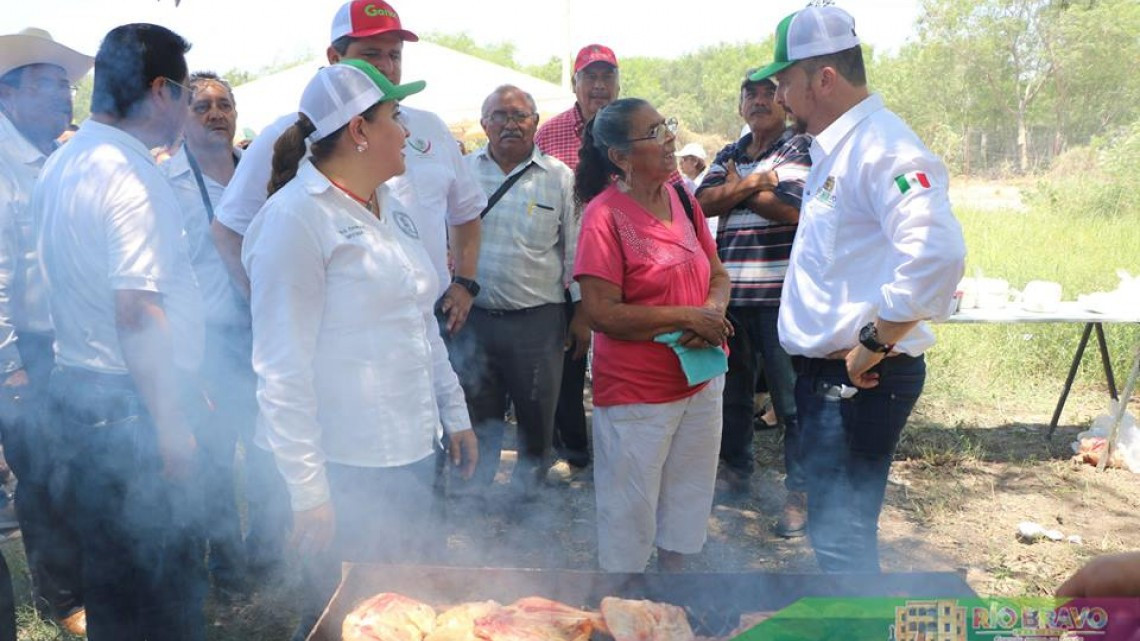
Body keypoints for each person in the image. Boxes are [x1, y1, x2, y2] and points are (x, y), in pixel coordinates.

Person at [241, 60, 478, 641]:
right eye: (394, 117)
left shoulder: (388, 203)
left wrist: (456, 415)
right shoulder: (295, 220)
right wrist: (309, 492)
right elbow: (282, 371)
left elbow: (421, 322)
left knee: (404, 607)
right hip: (346, 466)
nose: (407, 132)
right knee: (344, 616)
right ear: (359, 131)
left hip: (412, 451)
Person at [753, 5, 966, 572]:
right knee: (833, 533)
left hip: (861, 376)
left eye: (785, 82)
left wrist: (875, 340)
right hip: (831, 375)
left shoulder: (883, 147)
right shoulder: (834, 148)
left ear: (824, 78)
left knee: (842, 539)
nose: (779, 97)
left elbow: (937, 253)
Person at [34, 23, 208, 640]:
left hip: (83, 396)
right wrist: (170, 424)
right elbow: (136, 311)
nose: (190, 107)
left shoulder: (66, 162)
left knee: (113, 579)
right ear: (161, 91)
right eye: (187, 93)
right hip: (131, 411)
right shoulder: (132, 177)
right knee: (164, 589)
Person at [212, 0, 485, 338]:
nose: (386, 67)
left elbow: (466, 214)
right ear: (334, 58)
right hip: (341, 340)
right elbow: (227, 231)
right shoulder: (284, 136)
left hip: (430, 322)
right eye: (371, 54)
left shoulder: (432, 130)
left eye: (395, 55)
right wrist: (274, 311)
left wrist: (464, 283)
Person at [573, 98, 733, 572]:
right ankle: (625, 612)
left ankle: (671, 607)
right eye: (653, 132)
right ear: (620, 157)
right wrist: (688, 318)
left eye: (667, 126)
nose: (668, 139)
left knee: (686, 510)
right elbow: (600, 312)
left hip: (701, 383)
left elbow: (718, 275)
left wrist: (711, 313)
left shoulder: (683, 196)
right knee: (630, 522)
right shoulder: (603, 217)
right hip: (637, 396)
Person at [160, 71, 289, 597]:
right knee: (216, 457)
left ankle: (266, 552)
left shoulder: (263, 172)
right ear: (183, 119)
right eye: (202, 106)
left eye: (224, 105)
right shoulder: (167, 183)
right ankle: (227, 565)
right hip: (208, 342)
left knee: (270, 449)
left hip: (267, 330)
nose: (216, 114)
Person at [0, 26, 91, 638]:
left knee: (74, 465)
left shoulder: (56, 157)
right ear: (8, 93)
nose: (66, 97)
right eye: (50, 84)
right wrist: (10, 364)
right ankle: (62, 599)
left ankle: (81, 579)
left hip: (64, 342)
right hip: (22, 349)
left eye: (66, 85)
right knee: (41, 475)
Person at [694, 70, 811, 539]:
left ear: (784, 100)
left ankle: (800, 494)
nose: (760, 101)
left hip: (783, 301)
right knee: (733, 395)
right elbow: (701, 202)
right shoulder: (730, 152)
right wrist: (759, 181)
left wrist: (739, 188)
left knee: (792, 401)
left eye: (769, 92)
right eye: (751, 94)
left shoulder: (800, 147)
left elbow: (793, 208)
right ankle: (736, 473)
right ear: (741, 104)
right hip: (731, 300)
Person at [453, 85, 580, 496]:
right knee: (479, 411)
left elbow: (575, 254)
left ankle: (527, 502)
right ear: (484, 123)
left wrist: (583, 318)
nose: (510, 124)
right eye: (500, 115)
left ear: (536, 124)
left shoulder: (560, 177)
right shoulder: (462, 173)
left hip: (538, 322)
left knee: (537, 414)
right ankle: (477, 492)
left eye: (520, 115)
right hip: (476, 319)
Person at [534, 43, 620, 478]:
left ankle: (622, 451)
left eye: (607, 77)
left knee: (624, 359)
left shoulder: (635, 126)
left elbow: (671, 187)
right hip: (567, 271)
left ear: (619, 83)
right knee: (568, 362)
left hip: (629, 272)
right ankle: (575, 452)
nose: (599, 86)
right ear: (575, 84)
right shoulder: (548, 134)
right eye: (590, 77)